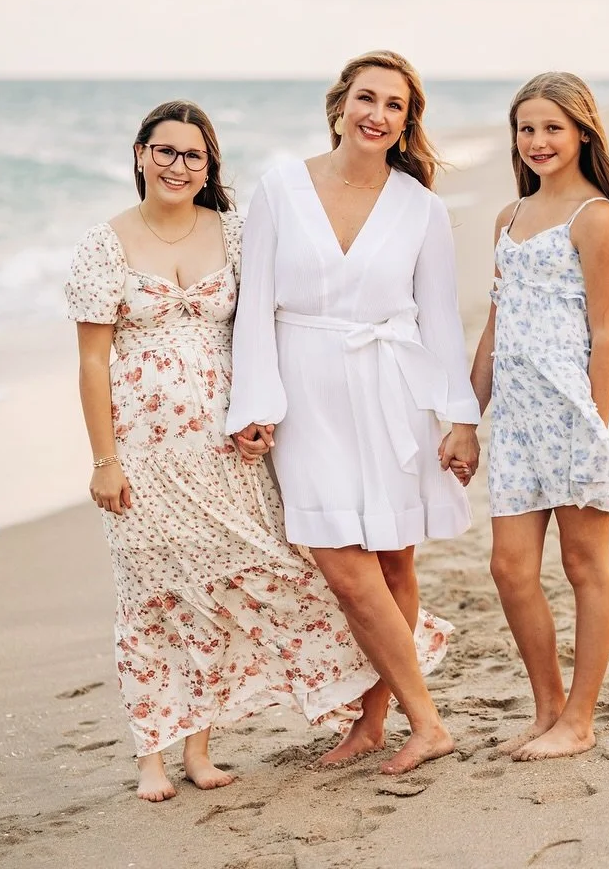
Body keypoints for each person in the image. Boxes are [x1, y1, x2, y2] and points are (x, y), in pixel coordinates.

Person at [66, 101, 432, 802]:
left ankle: (202, 749)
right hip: (145, 454)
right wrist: (104, 460)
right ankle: (152, 754)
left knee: (232, 589)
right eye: (165, 151)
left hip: (231, 449)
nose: (178, 166)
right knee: (152, 596)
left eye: (193, 155)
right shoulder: (103, 245)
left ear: (209, 166)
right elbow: (91, 363)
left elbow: (268, 323)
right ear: (140, 154)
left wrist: (263, 409)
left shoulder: (235, 231)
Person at [227, 51, 481, 775]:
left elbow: (439, 319)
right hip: (305, 399)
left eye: (395, 105)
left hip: (390, 391)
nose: (377, 114)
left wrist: (459, 418)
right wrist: (255, 402)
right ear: (340, 105)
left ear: (407, 122)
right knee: (344, 567)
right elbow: (254, 306)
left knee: (395, 560)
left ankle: (375, 722)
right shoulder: (280, 188)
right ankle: (427, 721)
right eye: (367, 98)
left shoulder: (422, 208)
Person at [465, 72, 609, 761]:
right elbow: (495, 325)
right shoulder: (508, 218)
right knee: (510, 568)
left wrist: (595, 427)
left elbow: (606, 332)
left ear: (581, 133)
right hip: (516, 419)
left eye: (552, 128)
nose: (537, 141)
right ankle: (546, 708)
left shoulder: (594, 217)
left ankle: (580, 718)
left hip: (575, 413)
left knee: (583, 562)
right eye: (526, 128)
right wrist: (466, 417)